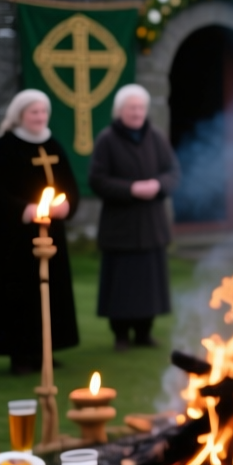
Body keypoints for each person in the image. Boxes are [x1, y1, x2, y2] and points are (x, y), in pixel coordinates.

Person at [0, 89, 80, 374]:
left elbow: (70, 186)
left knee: (51, 292)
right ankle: (20, 354)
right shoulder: (5, 146)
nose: (40, 117)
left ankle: (45, 350)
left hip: (50, 232)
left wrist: (66, 206)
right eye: (34, 112)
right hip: (15, 237)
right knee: (19, 293)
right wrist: (26, 210)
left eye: (43, 111)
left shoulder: (53, 145)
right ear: (20, 115)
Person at [88, 84, 180, 351]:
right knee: (122, 285)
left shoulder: (156, 137)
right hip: (121, 227)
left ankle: (144, 332)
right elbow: (97, 180)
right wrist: (131, 189)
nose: (137, 113)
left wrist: (159, 185)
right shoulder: (107, 139)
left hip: (152, 225)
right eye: (132, 108)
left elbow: (173, 172)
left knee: (149, 284)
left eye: (141, 108)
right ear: (120, 111)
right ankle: (120, 334)